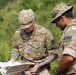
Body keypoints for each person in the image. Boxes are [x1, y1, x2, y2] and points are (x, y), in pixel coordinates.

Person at [9, 9, 58, 75]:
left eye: (28, 26)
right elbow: (15, 48)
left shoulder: (44, 33)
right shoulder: (18, 33)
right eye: (24, 27)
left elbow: (54, 53)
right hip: (23, 69)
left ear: (33, 21)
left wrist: (40, 65)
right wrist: (12, 59)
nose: (26, 29)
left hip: (41, 69)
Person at [51, 3, 76, 75]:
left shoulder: (71, 31)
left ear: (62, 18)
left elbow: (69, 58)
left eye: (56, 22)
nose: (56, 25)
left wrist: (58, 71)